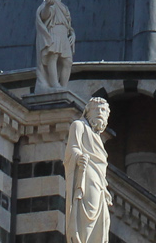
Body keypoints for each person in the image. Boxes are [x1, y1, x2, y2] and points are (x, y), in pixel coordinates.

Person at [63, 97, 112, 243]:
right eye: (96, 109)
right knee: (87, 212)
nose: (99, 112)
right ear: (88, 112)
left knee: (103, 220)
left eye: (103, 110)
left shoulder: (98, 138)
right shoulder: (78, 125)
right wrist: (78, 157)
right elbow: (72, 148)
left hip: (100, 182)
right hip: (87, 175)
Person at [38, 0, 75, 90]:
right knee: (53, 56)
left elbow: (68, 25)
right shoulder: (49, 3)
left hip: (64, 35)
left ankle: (63, 87)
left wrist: (72, 34)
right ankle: (54, 84)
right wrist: (48, 6)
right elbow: (44, 16)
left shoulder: (64, 7)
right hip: (53, 32)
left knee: (68, 61)